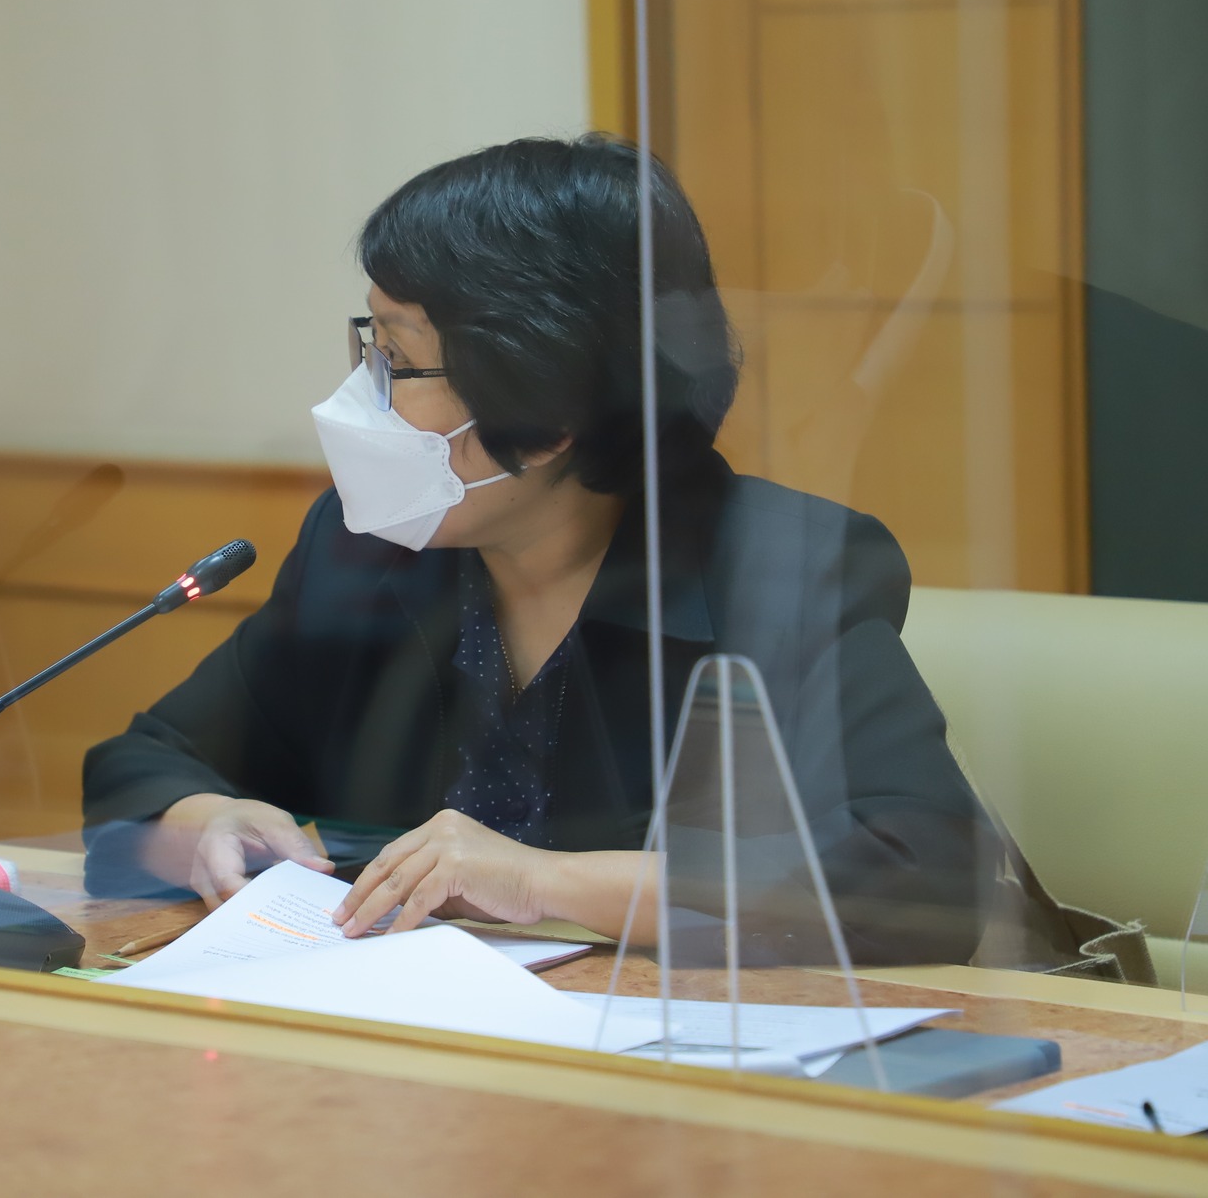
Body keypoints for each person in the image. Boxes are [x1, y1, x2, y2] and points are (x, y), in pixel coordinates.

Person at [81, 133, 994, 965]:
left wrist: (542, 880)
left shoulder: (780, 567)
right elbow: (142, 762)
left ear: (549, 411)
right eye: (370, 343)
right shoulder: (367, 554)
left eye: (398, 360)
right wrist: (207, 820)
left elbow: (923, 874)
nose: (359, 396)